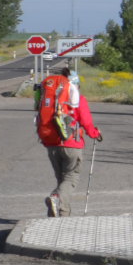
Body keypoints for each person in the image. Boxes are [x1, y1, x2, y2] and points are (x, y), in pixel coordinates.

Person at [44, 66, 102, 217]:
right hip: (72, 144)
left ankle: (63, 214)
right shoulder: (78, 100)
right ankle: (56, 199)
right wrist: (95, 133)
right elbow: (87, 122)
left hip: (52, 144)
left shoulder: (52, 101)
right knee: (71, 178)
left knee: (62, 180)